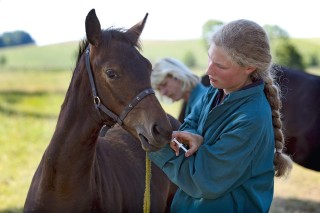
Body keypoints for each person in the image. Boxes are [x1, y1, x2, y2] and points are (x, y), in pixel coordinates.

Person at [148, 19, 293, 212]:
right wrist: (193, 136)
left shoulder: (251, 119)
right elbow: (191, 121)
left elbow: (204, 181)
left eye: (220, 66)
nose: (208, 70)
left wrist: (157, 146)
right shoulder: (217, 90)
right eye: (209, 58)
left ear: (249, 67)